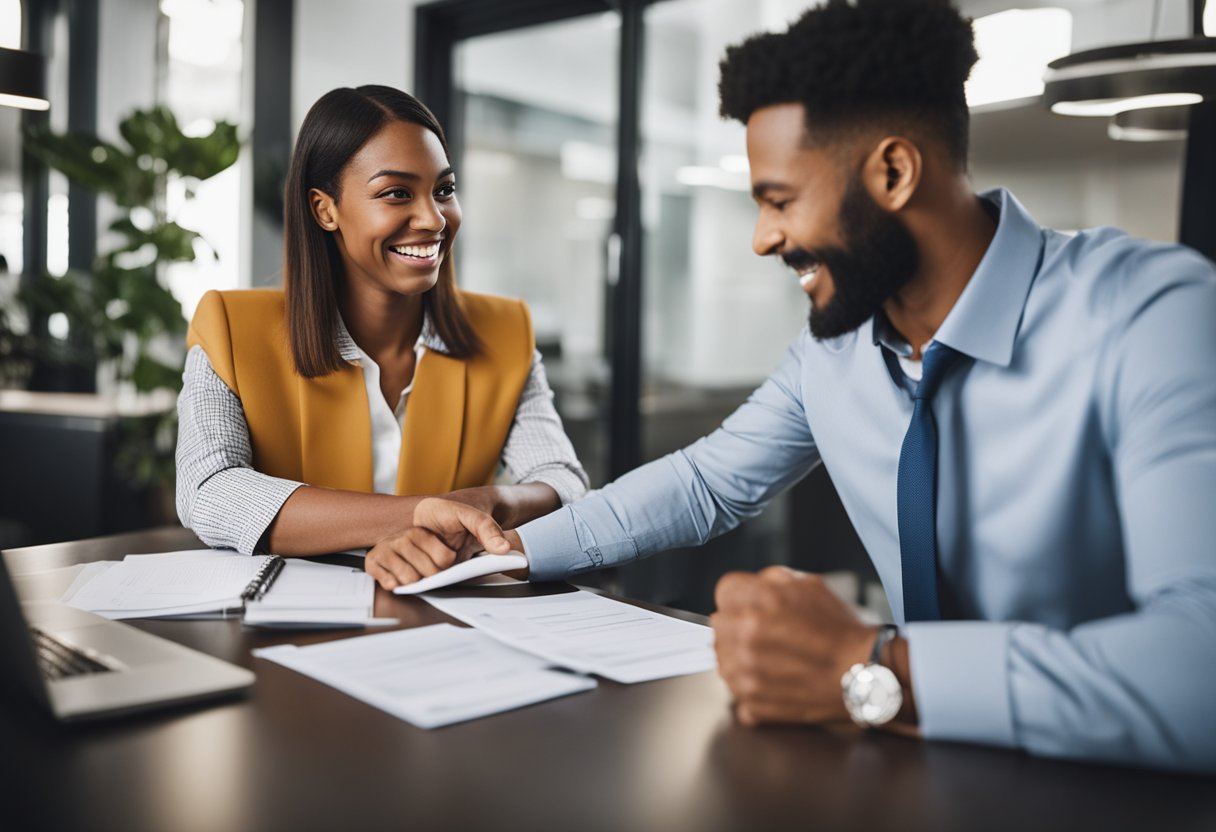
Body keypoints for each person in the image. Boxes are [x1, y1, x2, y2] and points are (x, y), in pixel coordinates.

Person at [381, 1, 1216, 774]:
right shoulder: (839, 347)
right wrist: (505, 551)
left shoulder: (1150, 313)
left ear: (893, 174)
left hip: (1119, 782)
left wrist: (868, 664)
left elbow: (1200, 668)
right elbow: (707, 482)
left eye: (779, 200)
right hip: (916, 765)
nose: (761, 237)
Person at [176, 85, 588, 587]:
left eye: (443, 189)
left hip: (447, 622)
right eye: (396, 193)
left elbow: (563, 481)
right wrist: (420, 514)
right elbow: (209, 491)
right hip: (286, 622)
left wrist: (492, 502)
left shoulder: (505, 333)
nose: (434, 219)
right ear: (325, 209)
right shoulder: (231, 327)